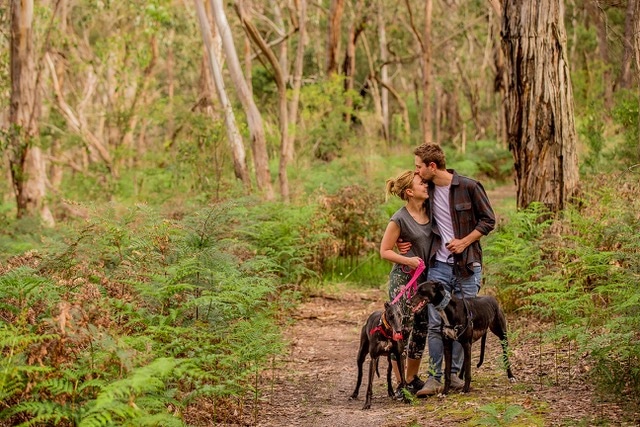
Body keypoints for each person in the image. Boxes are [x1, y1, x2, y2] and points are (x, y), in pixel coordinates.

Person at [400, 143, 496, 397]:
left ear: (432, 166)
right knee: (435, 323)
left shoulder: (469, 187)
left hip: (467, 266)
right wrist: (401, 240)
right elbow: (410, 215)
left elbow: (489, 221)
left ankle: (454, 376)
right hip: (438, 267)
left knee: (463, 323)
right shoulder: (426, 191)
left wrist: (464, 241)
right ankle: (434, 378)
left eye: (419, 166)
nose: (416, 172)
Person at [380, 170, 432, 397]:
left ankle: (412, 378)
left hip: (424, 281)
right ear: (409, 192)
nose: (426, 185)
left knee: (422, 329)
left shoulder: (432, 211)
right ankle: (400, 383)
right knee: (402, 331)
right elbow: (384, 251)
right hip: (403, 281)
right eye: (422, 183)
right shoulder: (399, 219)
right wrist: (408, 260)